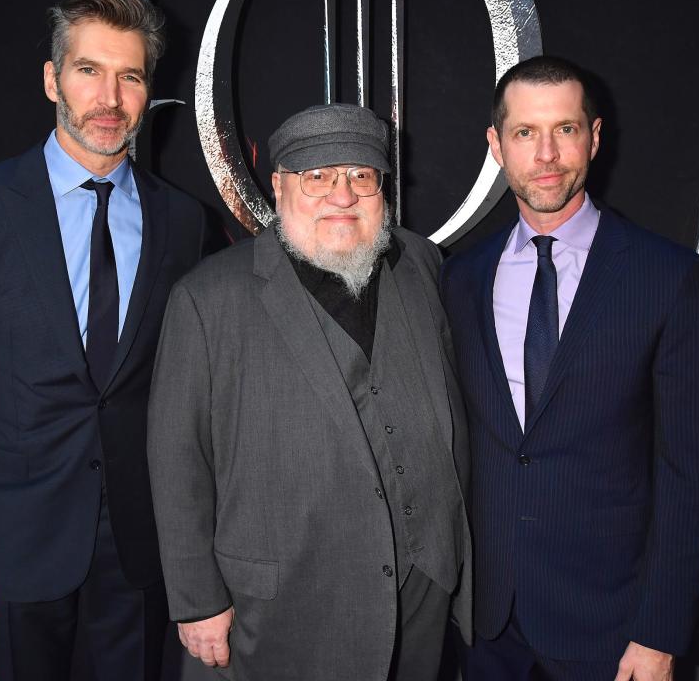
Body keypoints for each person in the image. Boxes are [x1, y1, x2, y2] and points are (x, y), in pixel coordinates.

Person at [0, 0, 210, 680]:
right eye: (88, 70)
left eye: (130, 76)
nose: (110, 98)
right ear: (51, 79)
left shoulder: (182, 222)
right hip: (12, 545)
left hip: (139, 548)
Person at [145, 103, 472, 680]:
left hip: (423, 593)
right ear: (278, 186)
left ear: (382, 189)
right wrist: (197, 600)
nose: (341, 195)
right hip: (282, 608)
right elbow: (177, 460)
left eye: (361, 177)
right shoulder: (207, 299)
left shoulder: (421, 263)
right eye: (317, 177)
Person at [440, 55, 699, 681]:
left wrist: (659, 631)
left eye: (564, 129)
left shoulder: (669, 279)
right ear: (496, 145)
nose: (546, 154)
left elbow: (690, 471)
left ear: (594, 137)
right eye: (524, 133)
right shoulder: (460, 279)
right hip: (486, 621)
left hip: (614, 625)